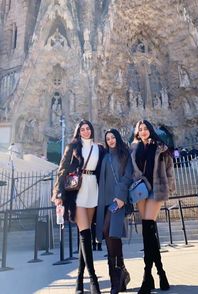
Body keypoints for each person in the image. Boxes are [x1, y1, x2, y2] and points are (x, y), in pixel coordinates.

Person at [52, 119, 105, 294]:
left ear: (91, 130)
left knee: (87, 235)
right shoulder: (72, 147)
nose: (85, 131)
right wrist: (58, 193)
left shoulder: (99, 148)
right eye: (82, 129)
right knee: (84, 234)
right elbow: (62, 169)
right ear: (78, 131)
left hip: (93, 190)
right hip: (78, 191)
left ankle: (79, 280)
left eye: (88, 128)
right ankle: (94, 280)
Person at [131, 120, 175, 293]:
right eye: (140, 129)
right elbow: (131, 169)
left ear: (150, 130)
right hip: (141, 190)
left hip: (156, 190)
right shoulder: (134, 149)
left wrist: (169, 186)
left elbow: (170, 168)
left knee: (149, 226)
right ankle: (161, 273)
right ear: (137, 132)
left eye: (146, 129)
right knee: (149, 232)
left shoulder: (160, 147)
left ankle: (146, 277)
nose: (143, 132)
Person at [96, 129, 132, 294]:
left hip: (118, 201)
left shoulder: (125, 154)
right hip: (105, 202)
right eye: (108, 139)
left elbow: (128, 176)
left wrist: (120, 195)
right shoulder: (105, 157)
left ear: (117, 138)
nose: (110, 140)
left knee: (108, 231)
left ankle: (116, 280)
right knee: (112, 234)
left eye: (113, 137)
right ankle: (120, 274)